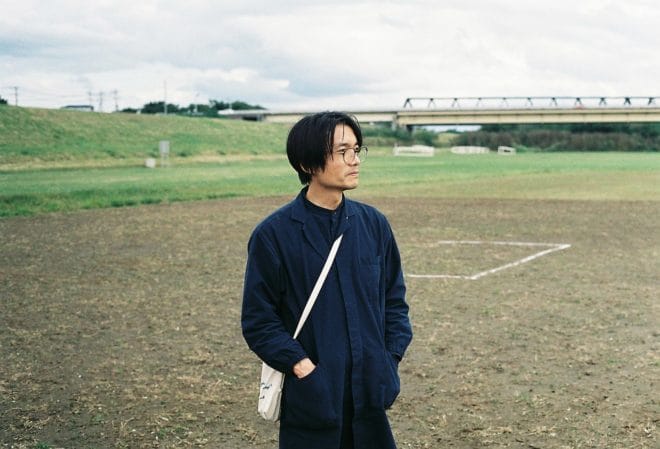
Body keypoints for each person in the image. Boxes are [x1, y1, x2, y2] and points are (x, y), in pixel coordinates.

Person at [241, 111, 413, 449]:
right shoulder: (273, 235)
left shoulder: (373, 224)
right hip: (313, 398)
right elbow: (259, 322)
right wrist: (302, 368)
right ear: (307, 163)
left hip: (369, 395)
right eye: (342, 151)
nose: (354, 160)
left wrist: (389, 360)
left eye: (357, 150)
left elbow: (394, 302)